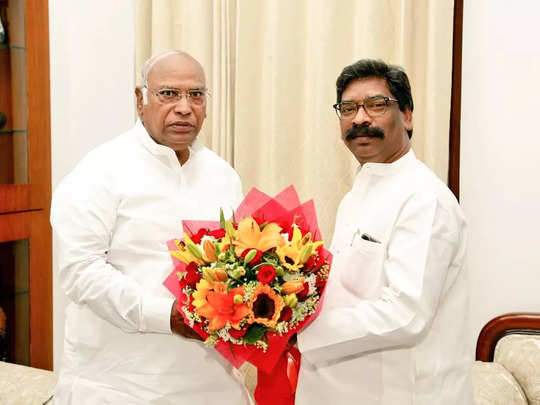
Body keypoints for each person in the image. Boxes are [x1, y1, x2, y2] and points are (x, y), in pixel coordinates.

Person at [50, 50, 250, 404]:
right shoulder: (99, 170)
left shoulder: (223, 175)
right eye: (168, 93)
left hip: (210, 379)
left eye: (196, 95)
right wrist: (164, 316)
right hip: (118, 383)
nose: (184, 107)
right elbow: (81, 271)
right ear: (140, 99)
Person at [296, 59, 473, 404]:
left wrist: (303, 333)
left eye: (376, 105)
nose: (360, 119)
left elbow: (406, 313)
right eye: (348, 108)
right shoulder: (356, 195)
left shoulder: (424, 198)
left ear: (407, 116)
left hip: (404, 393)